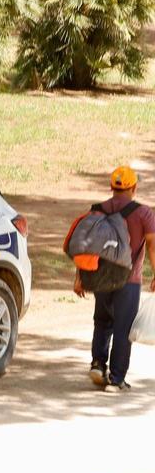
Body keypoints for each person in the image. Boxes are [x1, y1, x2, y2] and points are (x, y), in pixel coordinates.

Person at [75, 166, 155, 392]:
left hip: (100, 277)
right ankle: (116, 378)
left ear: (111, 187)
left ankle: (98, 364)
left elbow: (84, 246)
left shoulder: (97, 211)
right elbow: (152, 245)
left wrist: (80, 277)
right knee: (123, 327)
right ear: (134, 188)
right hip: (129, 279)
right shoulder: (144, 213)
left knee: (102, 321)